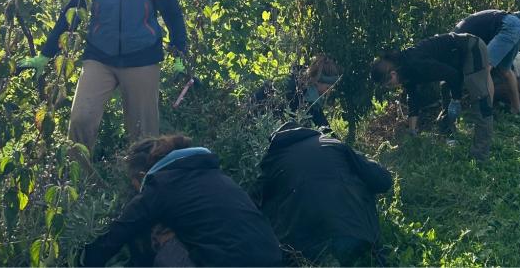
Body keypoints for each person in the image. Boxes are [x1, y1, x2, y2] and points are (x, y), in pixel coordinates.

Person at [19, 0, 187, 153]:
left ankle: (142, 182)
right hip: (99, 57)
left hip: (142, 59)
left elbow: (173, 15)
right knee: (81, 120)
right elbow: (70, 13)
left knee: (144, 133)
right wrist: (46, 54)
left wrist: (180, 55)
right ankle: (77, 180)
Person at [82, 135, 282, 267]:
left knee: (161, 240)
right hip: (272, 258)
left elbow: (117, 234)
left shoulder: (160, 185)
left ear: (142, 175)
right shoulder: (215, 176)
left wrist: (79, 261)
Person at [254, 122, 392, 266]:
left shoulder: (274, 161)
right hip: (357, 232)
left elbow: (251, 205)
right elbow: (382, 180)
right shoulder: (332, 144)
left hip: (306, 248)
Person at [370, 32, 494, 161]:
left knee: (481, 101)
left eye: (390, 84)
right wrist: (412, 131)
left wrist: (456, 99)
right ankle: (449, 136)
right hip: (453, 60)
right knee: (446, 92)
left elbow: (452, 75)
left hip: (471, 48)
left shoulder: (416, 63)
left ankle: (480, 155)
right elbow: (413, 100)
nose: (392, 86)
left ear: (393, 74)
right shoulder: (405, 71)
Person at [453, 9, 520, 115]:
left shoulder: (454, 41)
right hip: (517, 25)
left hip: (508, 26)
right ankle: (517, 109)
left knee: (484, 68)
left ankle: (487, 113)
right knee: (505, 70)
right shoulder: (463, 29)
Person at [252, 56, 341, 129]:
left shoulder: (304, 86)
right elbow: (322, 125)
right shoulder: (298, 91)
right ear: (317, 81)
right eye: (327, 87)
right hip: (257, 125)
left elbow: (323, 125)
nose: (328, 92)